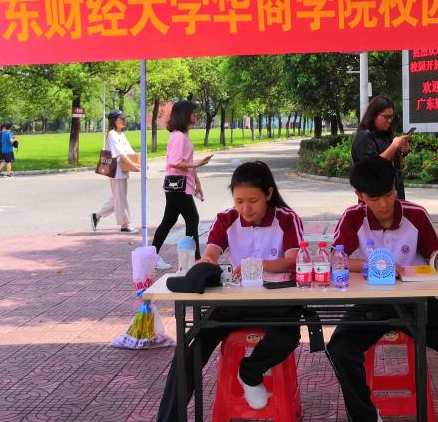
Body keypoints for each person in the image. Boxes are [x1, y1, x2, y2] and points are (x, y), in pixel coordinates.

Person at [327, 155, 438, 422]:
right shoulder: (352, 217)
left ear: (395, 187)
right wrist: (374, 266)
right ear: (360, 195)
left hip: (417, 304)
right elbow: (335, 259)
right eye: (374, 198)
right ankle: (366, 417)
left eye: (388, 194)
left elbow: (434, 254)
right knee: (340, 348)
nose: (384, 204)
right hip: (371, 304)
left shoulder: (415, 214)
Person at [155, 160, 303, 422]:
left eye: (253, 201)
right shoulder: (226, 219)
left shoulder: (286, 219)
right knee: (189, 350)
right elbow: (212, 252)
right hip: (234, 303)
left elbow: (294, 260)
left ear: (269, 194)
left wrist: (257, 265)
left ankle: (250, 373)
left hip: (278, 301)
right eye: (239, 201)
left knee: (287, 335)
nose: (245, 208)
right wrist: (205, 262)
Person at [150, 100, 212, 268]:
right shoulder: (179, 137)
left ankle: (153, 256)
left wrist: (197, 182)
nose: (196, 115)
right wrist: (197, 164)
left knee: (169, 221)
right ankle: (194, 259)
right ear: (185, 115)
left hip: (178, 185)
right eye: (193, 112)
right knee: (192, 218)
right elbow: (174, 161)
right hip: (178, 186)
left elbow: (186, 161)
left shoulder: (181, 135)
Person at [351, 94, 411, 199]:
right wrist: (394, 146)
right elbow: (372, 167)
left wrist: (403, 152)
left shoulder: (385, 135)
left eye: (391, 117)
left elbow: (396, 167)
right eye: (386, 117)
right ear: (373, 115)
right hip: (375, 199)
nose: (389, 121)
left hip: (394, 195)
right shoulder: (364, 137)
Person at [90, 109, 140, 234]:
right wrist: (133, 165)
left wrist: (139, 163)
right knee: (120, 198)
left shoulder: (121, 134)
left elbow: (130, 151)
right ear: (114, 121)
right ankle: (124, 225)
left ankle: (97, 216)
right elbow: (120, 154)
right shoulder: (112, 134)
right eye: (121, 118)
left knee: (118, 198)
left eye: (124, 118)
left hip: (122, 170)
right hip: (116, 171)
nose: (124, 120)